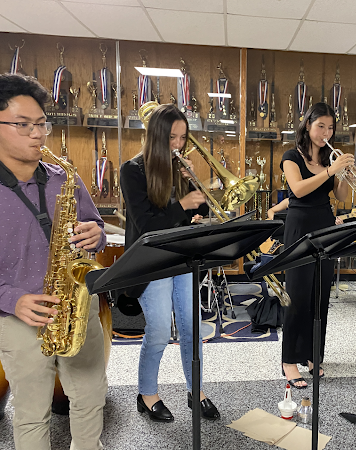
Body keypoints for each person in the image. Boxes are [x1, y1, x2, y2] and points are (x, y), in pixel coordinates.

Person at [0, 73, 107, 450]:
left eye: (41, 124)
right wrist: (12, 299)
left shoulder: (64, 178)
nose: (38, 134)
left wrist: (96, 233)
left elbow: (95, 225)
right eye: (23, 125)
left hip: (76, 306)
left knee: (92, 399)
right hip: (20, 316)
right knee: (31, 413)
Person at [120, 104, 220, 421]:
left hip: (183, 257)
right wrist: (183, 205)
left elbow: (192, 216)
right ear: (155, 136)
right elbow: (147, 224)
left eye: (181, 138)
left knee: (192, 329)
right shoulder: (131, 171)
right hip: (152, 261)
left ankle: (197, 390)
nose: (177, 145)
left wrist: (194, 192)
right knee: (161, 331)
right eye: (171, 138)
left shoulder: (178, 167)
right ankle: (147, 394)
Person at [280, 102, 354, 388]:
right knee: (297, 296)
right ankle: (289, 360)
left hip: (324, 224)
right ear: (308, 126)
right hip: (299, 226)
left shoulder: (328, 160)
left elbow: (342, 196)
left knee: (320, 295)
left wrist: (343, 174)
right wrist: (330, 169)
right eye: (320, 125)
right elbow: (298, 189)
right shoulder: (291, 156)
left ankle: (313, 354)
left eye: (330, 127)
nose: (326, 132)